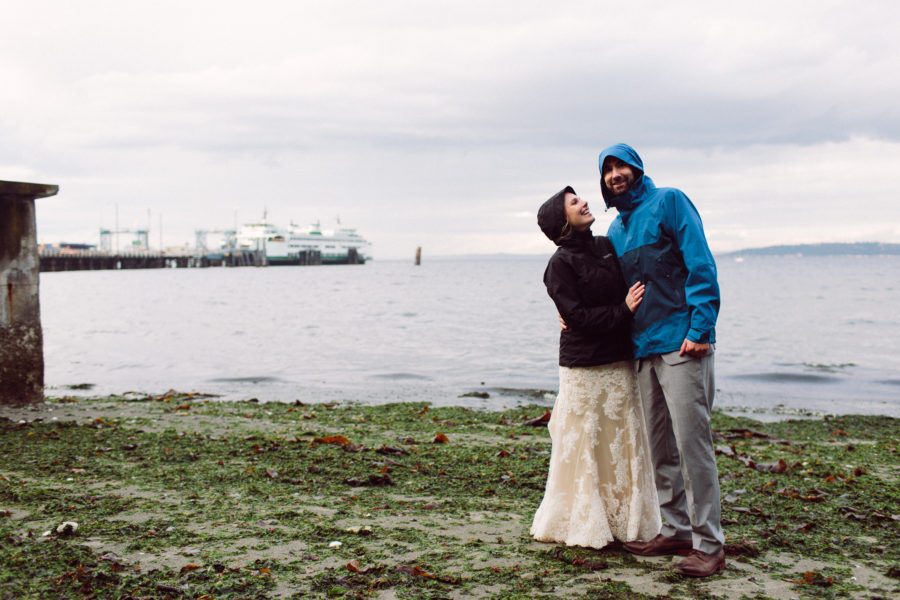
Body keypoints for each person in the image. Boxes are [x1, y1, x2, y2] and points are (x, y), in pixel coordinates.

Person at [598, 143, 724, 577]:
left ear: (637, 168)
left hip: (682, 344)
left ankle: (710, 544)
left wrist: (700, 330)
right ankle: (676, 530)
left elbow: (700, 264)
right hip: (642, 350)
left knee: (693, 447)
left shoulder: (669, 201)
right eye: (607, 169)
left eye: (621, 166)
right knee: (660, 449)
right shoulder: (616, 229)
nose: (615, 174)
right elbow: (610, 291)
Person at [530, 185, 661, 550]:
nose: (585, 202)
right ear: (562, 221)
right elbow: (578, 318)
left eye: (580, 198)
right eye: (574, 202)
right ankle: (584, 520)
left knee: (621, 441)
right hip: (583, 368)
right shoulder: (558, 265)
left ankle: (625, 520)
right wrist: (624, 310)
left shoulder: (606, 246)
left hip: (620, 361)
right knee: (585, 442)